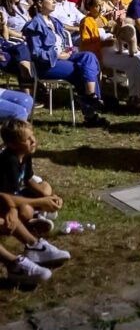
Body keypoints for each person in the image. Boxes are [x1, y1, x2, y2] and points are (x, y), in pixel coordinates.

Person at [0, 120, 72, 285]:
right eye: (27, 139)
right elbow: (6, 194)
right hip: (7, 197)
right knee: (24, 211)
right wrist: (38, 201)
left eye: (32, 136)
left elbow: (26, 179)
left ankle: (34, 246)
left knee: (44, 188)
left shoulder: (25, 154)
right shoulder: (8, 160)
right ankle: (16, 263)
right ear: (12, 144)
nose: (33, 141)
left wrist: (47, 197)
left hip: (8, 196)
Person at [22, 0, 107, 127]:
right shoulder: (34, 25)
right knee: (81, 70)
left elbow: (65, 45)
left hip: (64, 59)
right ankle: (91, 112)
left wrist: (70, 51)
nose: (54, 1)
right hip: (47, 65)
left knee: (89, 57)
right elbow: (36, 53)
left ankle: (91, 97)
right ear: (39, 3)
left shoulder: (55, 22)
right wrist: (57, 55)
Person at [79, 0, 140, 107]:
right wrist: (104, 43)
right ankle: (134, 96)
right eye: (96, 6)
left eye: (101, 5)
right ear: (89, 7)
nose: (100, 9)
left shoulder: (103, 19)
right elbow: (85, 43)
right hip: (100, 53)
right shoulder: (86, 21)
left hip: (114, 48)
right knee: (134, 61)